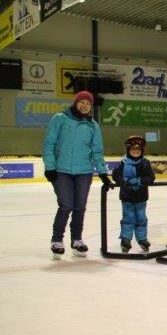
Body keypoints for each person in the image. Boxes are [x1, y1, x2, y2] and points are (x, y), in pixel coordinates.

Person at [42, 90, 112, 259]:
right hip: (61, 170)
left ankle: (76, 240)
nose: (84, 105)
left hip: (84, 172)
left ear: (91, 107)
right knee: (66, 206)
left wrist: (103, 172)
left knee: (80, 207)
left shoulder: (93, 126)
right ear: (75, 103)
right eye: (82, 102)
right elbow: (49, 143)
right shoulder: (60, 119)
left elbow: (97, 151)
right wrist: (50, 166)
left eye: (88, 103)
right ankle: (57, 240)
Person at [111, 136, 155, 253]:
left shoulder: (145, 163)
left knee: (141, 218)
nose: (135, 152)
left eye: (138, 150)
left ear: (142, 151)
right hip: (127, 196)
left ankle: (142, 239)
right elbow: (116, 175)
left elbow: (151, 177)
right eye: (133, 150)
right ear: (128, 150)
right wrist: (123, 182)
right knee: (128, 218)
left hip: (141, 197)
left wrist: (140, 181)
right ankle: (126, 239)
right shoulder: (123, 163)